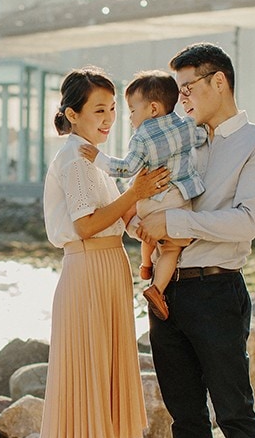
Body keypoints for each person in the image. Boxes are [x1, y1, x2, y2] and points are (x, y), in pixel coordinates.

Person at [136, 42, 255, 438]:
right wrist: (141, 219)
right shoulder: (181, 138)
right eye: (179, 91)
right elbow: (151, 205)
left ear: (219, 81)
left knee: (235, 413)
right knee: (185, 419)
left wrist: (172, 222)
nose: (182, 100)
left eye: (188, 88)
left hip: (217, 292)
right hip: (167, 294)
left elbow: (246, 221)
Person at [40, 66, 170, 438]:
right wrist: (135, 193)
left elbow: (117, 220)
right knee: (75, 400)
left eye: (113, 108)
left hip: (106, 272)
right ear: (72, 114)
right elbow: (86, 225)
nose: (109, 118)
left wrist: (144, 223)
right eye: (99, 109)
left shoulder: (94, 160)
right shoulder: (76, 159)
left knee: (92, 404)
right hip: (87, 273)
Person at [80, 70, 206, 320]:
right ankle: (157, 288)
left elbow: (127, 168)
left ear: (153, 108)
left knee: (145, 227)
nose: (129, 118)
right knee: (171, 248)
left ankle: (146, 265)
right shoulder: (186, 126)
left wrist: (100, 159)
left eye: (132, 111)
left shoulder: (142, 137)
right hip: (179, 200)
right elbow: (203, 137)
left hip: (152, 199)